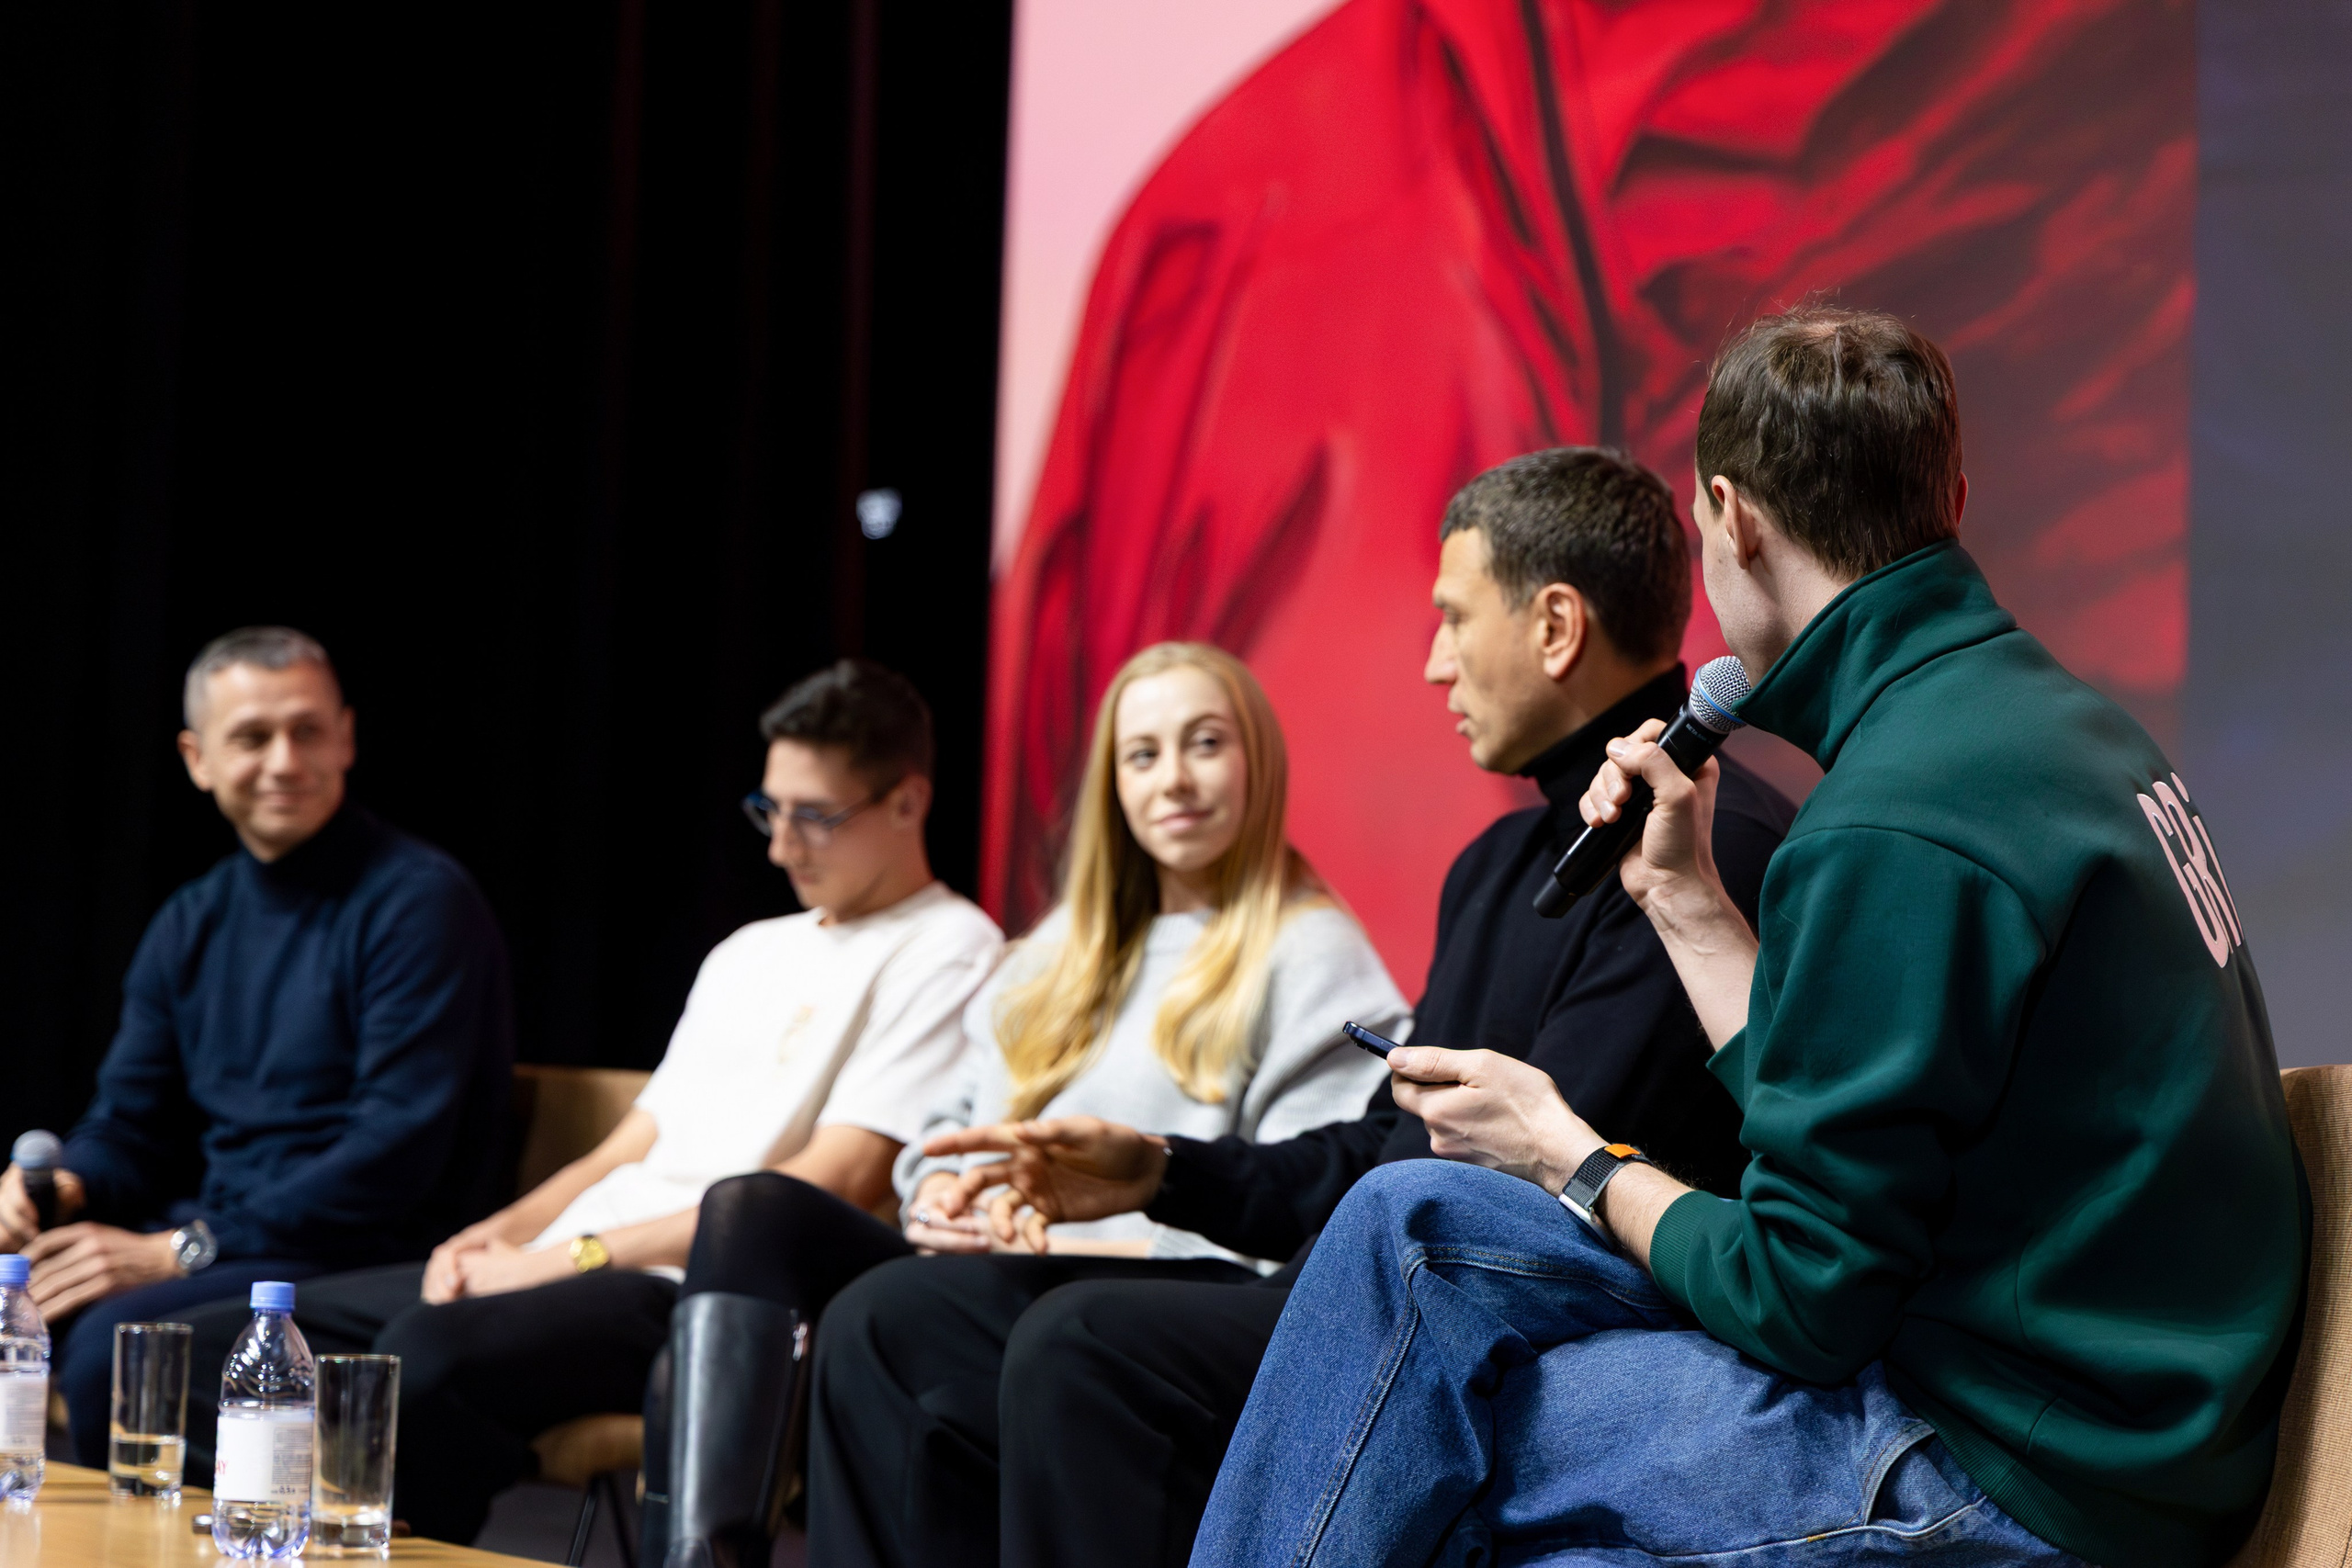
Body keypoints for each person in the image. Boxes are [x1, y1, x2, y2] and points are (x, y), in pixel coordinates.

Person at [1190, 307, 2308, 1568]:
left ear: (1733, 517)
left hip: (2011, 1461)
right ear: (1950, 495)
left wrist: (1568, 1150)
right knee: (1416, 1239)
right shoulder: (2046, 733)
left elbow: (1801, 1296)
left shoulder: (1899, 817)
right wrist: (1681, 898)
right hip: (2101, 1418)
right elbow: (1858, 1128)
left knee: (1432, 1376)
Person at [803, 449, 1798, 1568]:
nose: (1434, 665)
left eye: (1452, 620)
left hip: (1498, 1304)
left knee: (1083, 1345)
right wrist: (1158, 1171)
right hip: (1398, 1265)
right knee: (886, 1321)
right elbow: (1387, 1148)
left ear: (1555, 627)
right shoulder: (1495, 865)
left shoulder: (1706, 853)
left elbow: (1515, 1200)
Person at [175, 658, 1003, 1546]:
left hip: (694, 1292)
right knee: (208, 1348)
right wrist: (502, 1234)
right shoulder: (751, 948)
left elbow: (828, 1182)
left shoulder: (951, 949)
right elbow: (627, 1145)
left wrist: (562, 1259)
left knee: (425, 1359)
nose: (781, 845)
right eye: (771, 810)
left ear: (909, 802)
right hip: (580, 1256)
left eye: (816, 816)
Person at [641, 641, 1406, 1568]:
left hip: (1158, 1292)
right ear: (1112, 784)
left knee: (880, 1317)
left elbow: (1301, 1214)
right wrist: (943, 1196)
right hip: (1000, 1268)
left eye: (1203, 744)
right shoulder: (1056, 951)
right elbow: (941, 1134)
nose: (1173, 779)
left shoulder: (1312, 953)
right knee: (755, 1209)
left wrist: (1088, 1227)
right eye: (1142, 754)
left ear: (1256, 762)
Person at [0, 626, 514, 1468]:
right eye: (252, 737)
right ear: (197, 758)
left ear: (346, 737)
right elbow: (130, 1122)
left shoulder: (420, 903)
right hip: (232, 1242)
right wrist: (63, 1185)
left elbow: (390, 1157)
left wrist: (178, 1249)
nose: (284, 760)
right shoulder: (191, 921)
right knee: (40, 1314)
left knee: (122, 1355)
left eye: (307, 730)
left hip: (365, 1253)